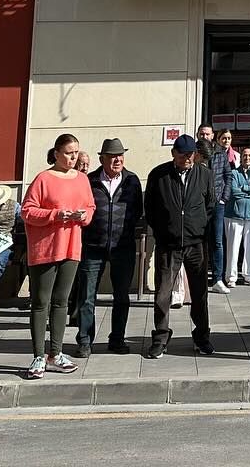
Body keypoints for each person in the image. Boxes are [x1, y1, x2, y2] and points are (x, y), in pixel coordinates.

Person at [20, 132, 95, 380]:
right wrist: (54, 215)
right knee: (41, 302)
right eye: (68, 153)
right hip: (45, 247)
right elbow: (28, 211)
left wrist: (83, 216)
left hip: (71, 247)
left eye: (76, 153)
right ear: (56, 153)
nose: (73, 157)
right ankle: (38, 355)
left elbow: (90, 206)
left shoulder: (82, 179)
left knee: (62, 301)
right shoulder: (43, 179)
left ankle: (56, 353)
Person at [145, 133, 215, 357]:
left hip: (195, 243)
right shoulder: (159, 175)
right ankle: (161, 337)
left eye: (191, 154)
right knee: (163, 293)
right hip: (169, 243)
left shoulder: (204, 174)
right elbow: (151, 209)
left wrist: (199, 227)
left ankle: (202, 336)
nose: (188, 158)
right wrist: (163, 230)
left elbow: (210, 205)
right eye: (184, 154)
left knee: (199, 292)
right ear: (173, 153)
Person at [76, 137, 142, 357]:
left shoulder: (132, 180)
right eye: (113, 156)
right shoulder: (89, 180)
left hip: (122, 246)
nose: (117, 160)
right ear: (102, 158)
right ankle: (85, 340)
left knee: (122, 296)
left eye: (120, 155)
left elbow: (138, 211)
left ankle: (117, 339)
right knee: (87, 296)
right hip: (93, 246)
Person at [196, 123, 232, 294]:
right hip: (198, 204)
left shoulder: (220, 152)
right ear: (198, 135)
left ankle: (217, 278)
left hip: (217, 203)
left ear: (212, 136)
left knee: (217, 242)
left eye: (208, 134)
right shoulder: (194, 153)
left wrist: (224, 198)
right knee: (198, 242)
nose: (205, 137)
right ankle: (199, 278)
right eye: (202, 134)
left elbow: (228, 176)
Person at [225, 147, 250, 287]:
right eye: (245, 155)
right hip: (234, 214)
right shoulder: (234, 173)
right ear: (240, 157)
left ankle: (249, 276)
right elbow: (233, 191)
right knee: (233, 247)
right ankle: (231, 277)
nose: (247, 158)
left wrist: (244, 188)